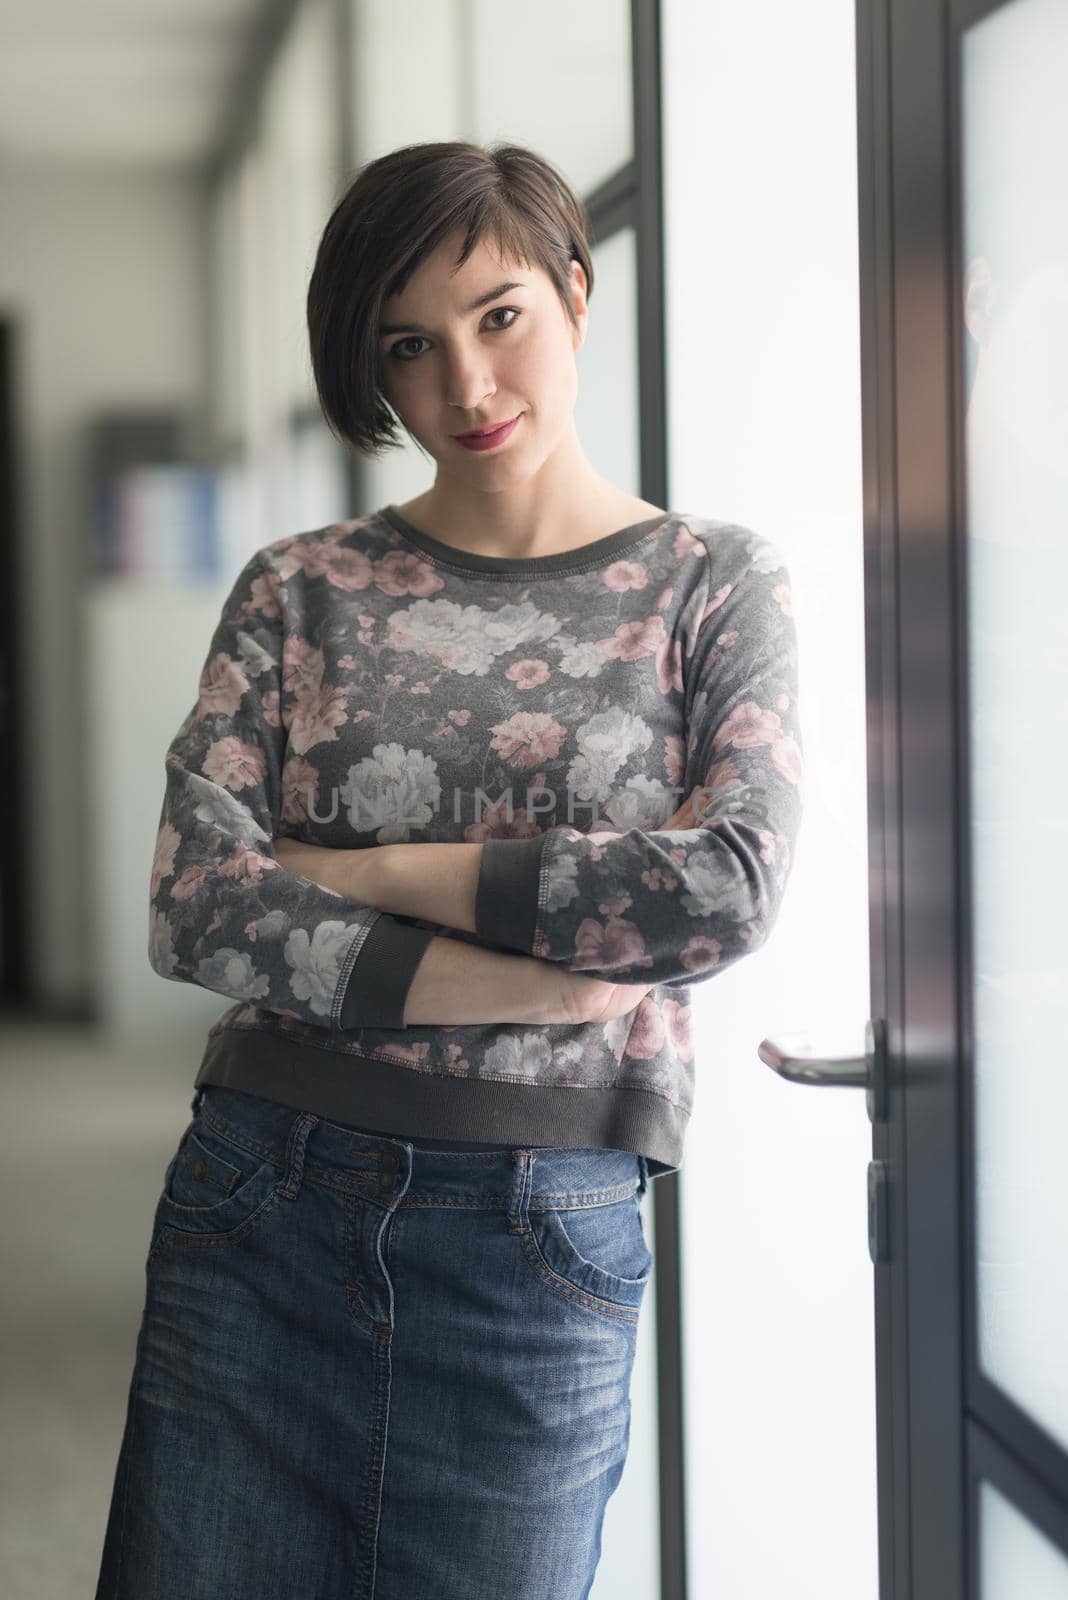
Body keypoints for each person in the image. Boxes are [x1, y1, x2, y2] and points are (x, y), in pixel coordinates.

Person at [94, 140, 803, 1599]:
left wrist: (368, 872)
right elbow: (194, 899)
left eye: (499, 320)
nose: (464, 389)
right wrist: (496, 977)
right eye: (407, 348)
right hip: (261, 1201)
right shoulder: (300, 588)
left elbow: (724, 887)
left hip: (542, 1236)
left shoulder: (712, 583)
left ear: (577, 295)